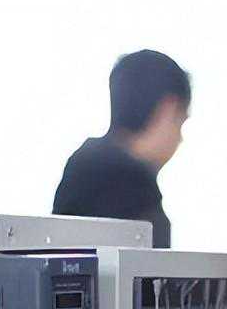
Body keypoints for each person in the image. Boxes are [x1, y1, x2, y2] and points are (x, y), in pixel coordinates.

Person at [52, 49, 190, 248]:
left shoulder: (82, 165)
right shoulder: (135, 186)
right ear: (168, 109)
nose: (180, 138)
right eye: (181, 122)